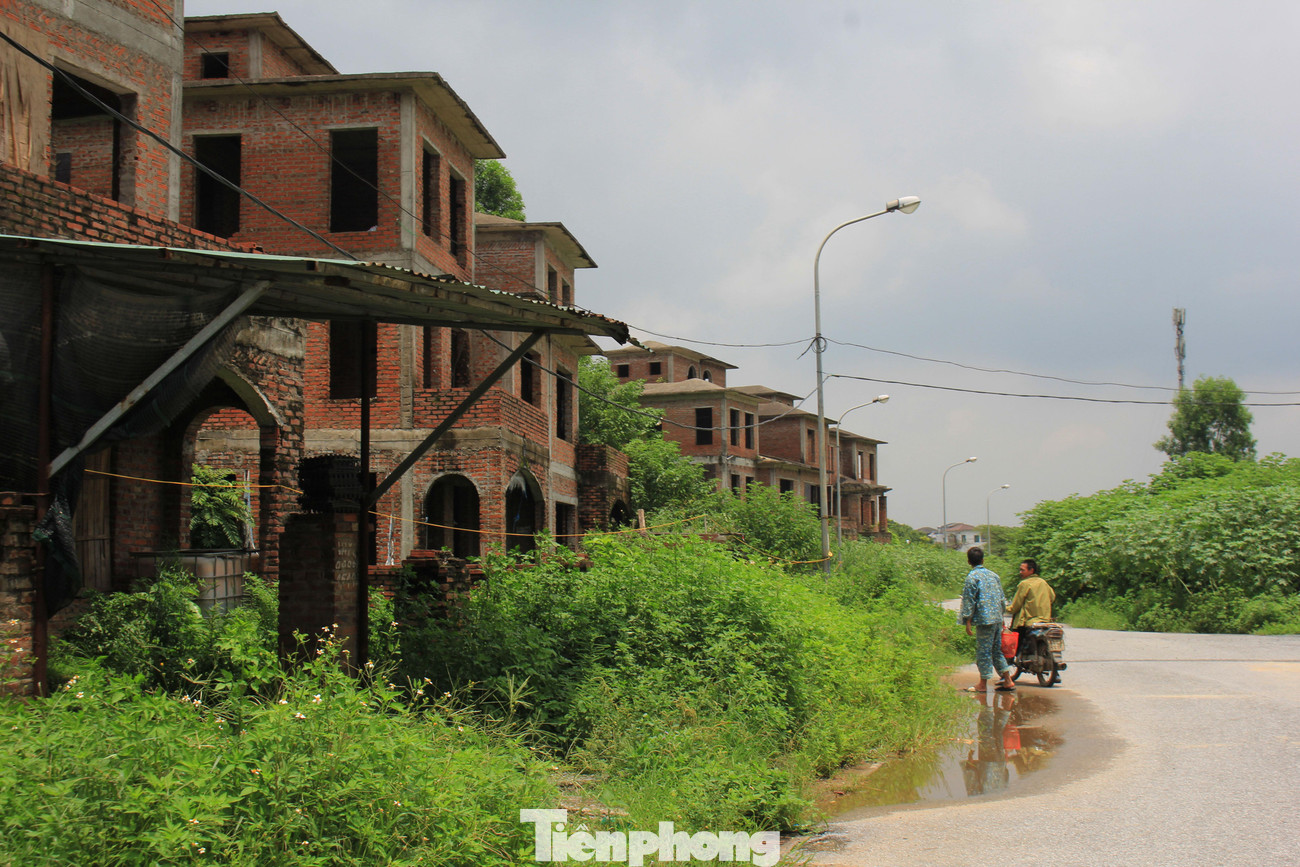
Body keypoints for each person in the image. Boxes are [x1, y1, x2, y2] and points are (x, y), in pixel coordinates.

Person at [958, 546, 1015, 692]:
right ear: (983, 560)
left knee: (984, 651)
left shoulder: (972, 578)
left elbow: (969, 601)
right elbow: (1002, 598)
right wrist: (1001, 616)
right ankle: (1008, 680)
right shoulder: (994, 575)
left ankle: (982, 684)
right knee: (996, 650)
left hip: (984, 620)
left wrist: (967, 621)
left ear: (969, 562)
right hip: (996, 618)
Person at [1008, 558, 1059, 683]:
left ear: (1031, 570)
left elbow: (1016, 605)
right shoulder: (1043, 582)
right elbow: (1052, 597)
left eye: (1022, 570)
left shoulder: (1024, 584)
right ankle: (1055, 673)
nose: (1020, 572)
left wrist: (1007, 609)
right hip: (1045, 620)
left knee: (1016, 640)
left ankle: (1017, 660)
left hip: (1030, 621)